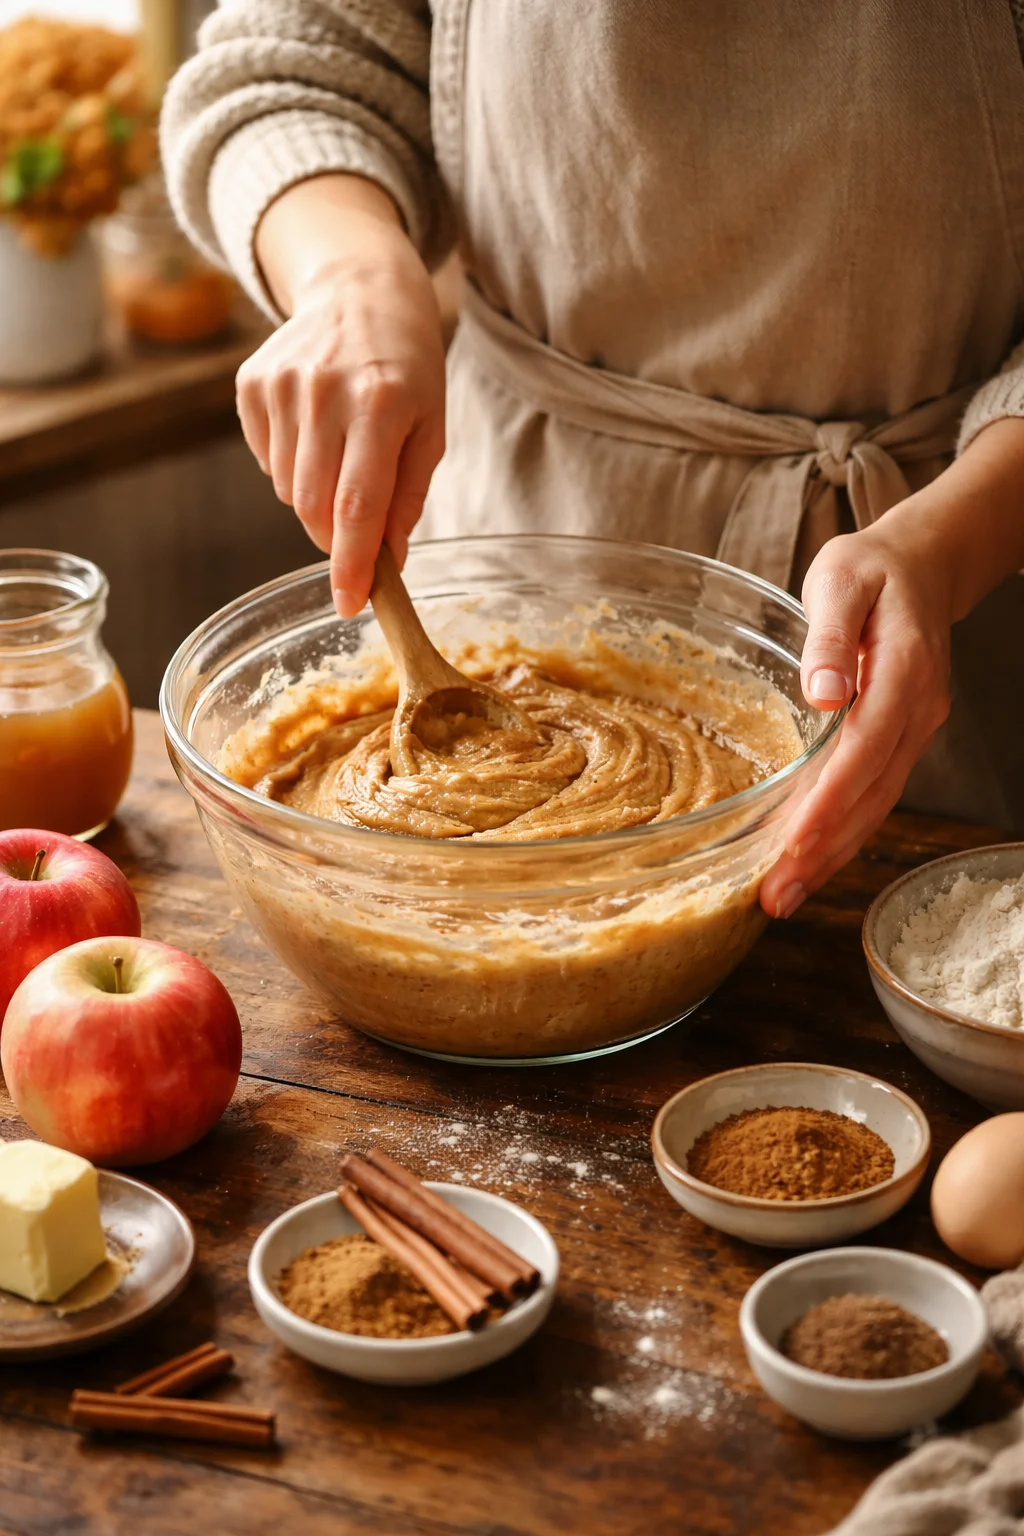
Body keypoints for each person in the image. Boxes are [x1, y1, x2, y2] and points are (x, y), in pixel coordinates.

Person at [162, 3, 1024, 920]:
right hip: (511, 535)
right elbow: (291, 70)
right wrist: (349, 274)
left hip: (954, 599)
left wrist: (952, 540)